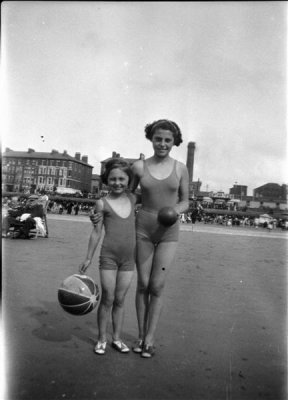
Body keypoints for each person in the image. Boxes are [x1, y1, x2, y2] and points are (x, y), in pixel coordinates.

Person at [130, 119, 189, 358]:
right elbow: (130, 195)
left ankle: (151, 339)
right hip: (142, 228)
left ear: (174, 142)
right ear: (151, 139)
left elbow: (186, 200)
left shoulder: (180, 168)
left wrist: (176, 211)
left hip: (168, 231)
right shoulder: (139, 167)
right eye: (158, 139)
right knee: (143, 284)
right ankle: (141, 336)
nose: (162, 144)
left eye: (167, 140)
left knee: (157, 285)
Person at [79, 158, 137, 355]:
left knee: (120, 299)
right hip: (108, 257)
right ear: (106, 180)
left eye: (122, 178)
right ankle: (102, 338)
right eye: (113, 179)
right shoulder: (102, 203)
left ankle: (117, 338)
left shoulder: (133, 198)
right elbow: (96, 232)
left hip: (129, 259)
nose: (117, 183)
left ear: (129, 180)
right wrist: (88, 257)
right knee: (108, 298)